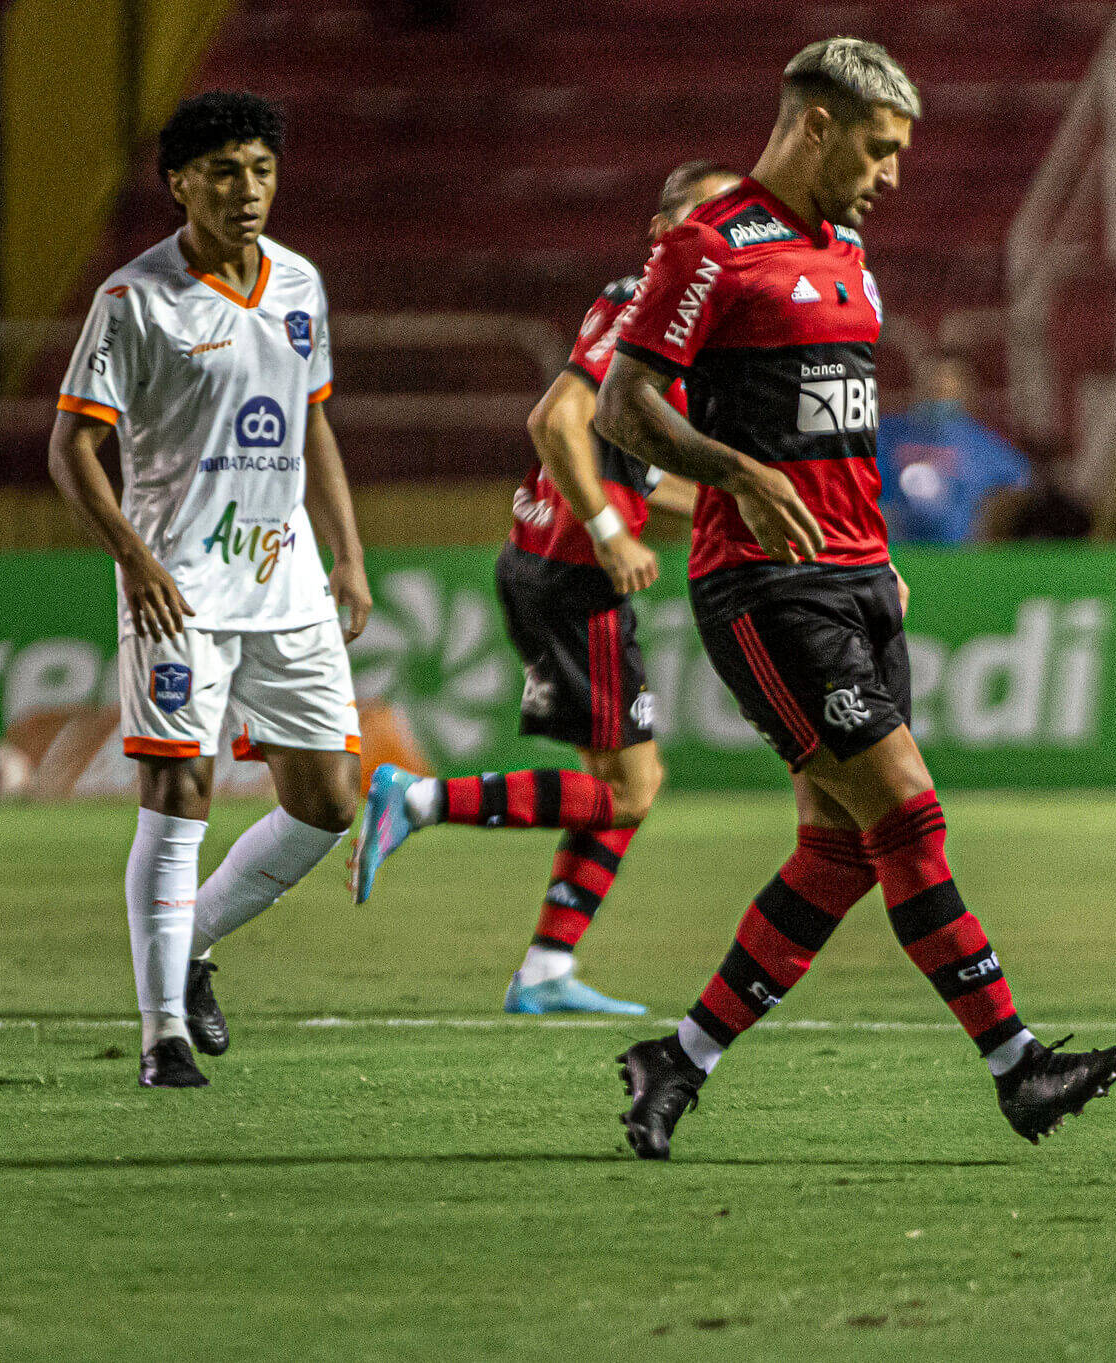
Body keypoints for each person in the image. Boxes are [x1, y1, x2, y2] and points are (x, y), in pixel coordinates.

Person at [593, 37, 1116, 1160]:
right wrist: (735, 472)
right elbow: (621, 406)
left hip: (858, 578)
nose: (891, 175)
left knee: (838, 853)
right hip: (764, 583)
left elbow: (835, 423)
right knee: (908, 814)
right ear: (817, 125)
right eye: (878, 150)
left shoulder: (843, 246)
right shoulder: (712, 246)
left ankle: (676, 1061)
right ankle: (1016, 1065)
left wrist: (875, 552)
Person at [350, 161, 740, 1016]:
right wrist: (607, 531)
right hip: (572, 573)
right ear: (661, 229)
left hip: (541, 561)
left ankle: (545, 969)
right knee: (634, 787)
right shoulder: (647, 299)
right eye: (703, 217)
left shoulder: (657, 310)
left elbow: (621, 459)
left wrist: (726, 500)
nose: (722, 234)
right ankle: (414, 798)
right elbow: (553, 418)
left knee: (614, 780)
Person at [48, 92, 370, 1087]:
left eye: (261, 170)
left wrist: (348, 554)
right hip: (178, 589)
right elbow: (73, 448)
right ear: (180, 181)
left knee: (328, 800)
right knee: (176, 793)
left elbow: (311, 421)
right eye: (225, 171)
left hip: (288, 580)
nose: (247, 190)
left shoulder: (300, 284)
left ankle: (189, 949)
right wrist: (135, 560)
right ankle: (161, 1038)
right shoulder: (134, 301)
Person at [874, 354, 1030, 543]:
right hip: (898, 551)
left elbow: (1019, 483)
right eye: (931, 386)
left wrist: (989, 526)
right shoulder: (888, 435)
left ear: (964, 392)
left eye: (944, 388)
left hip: (958, 553)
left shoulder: (981, 443)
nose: (937, 394)